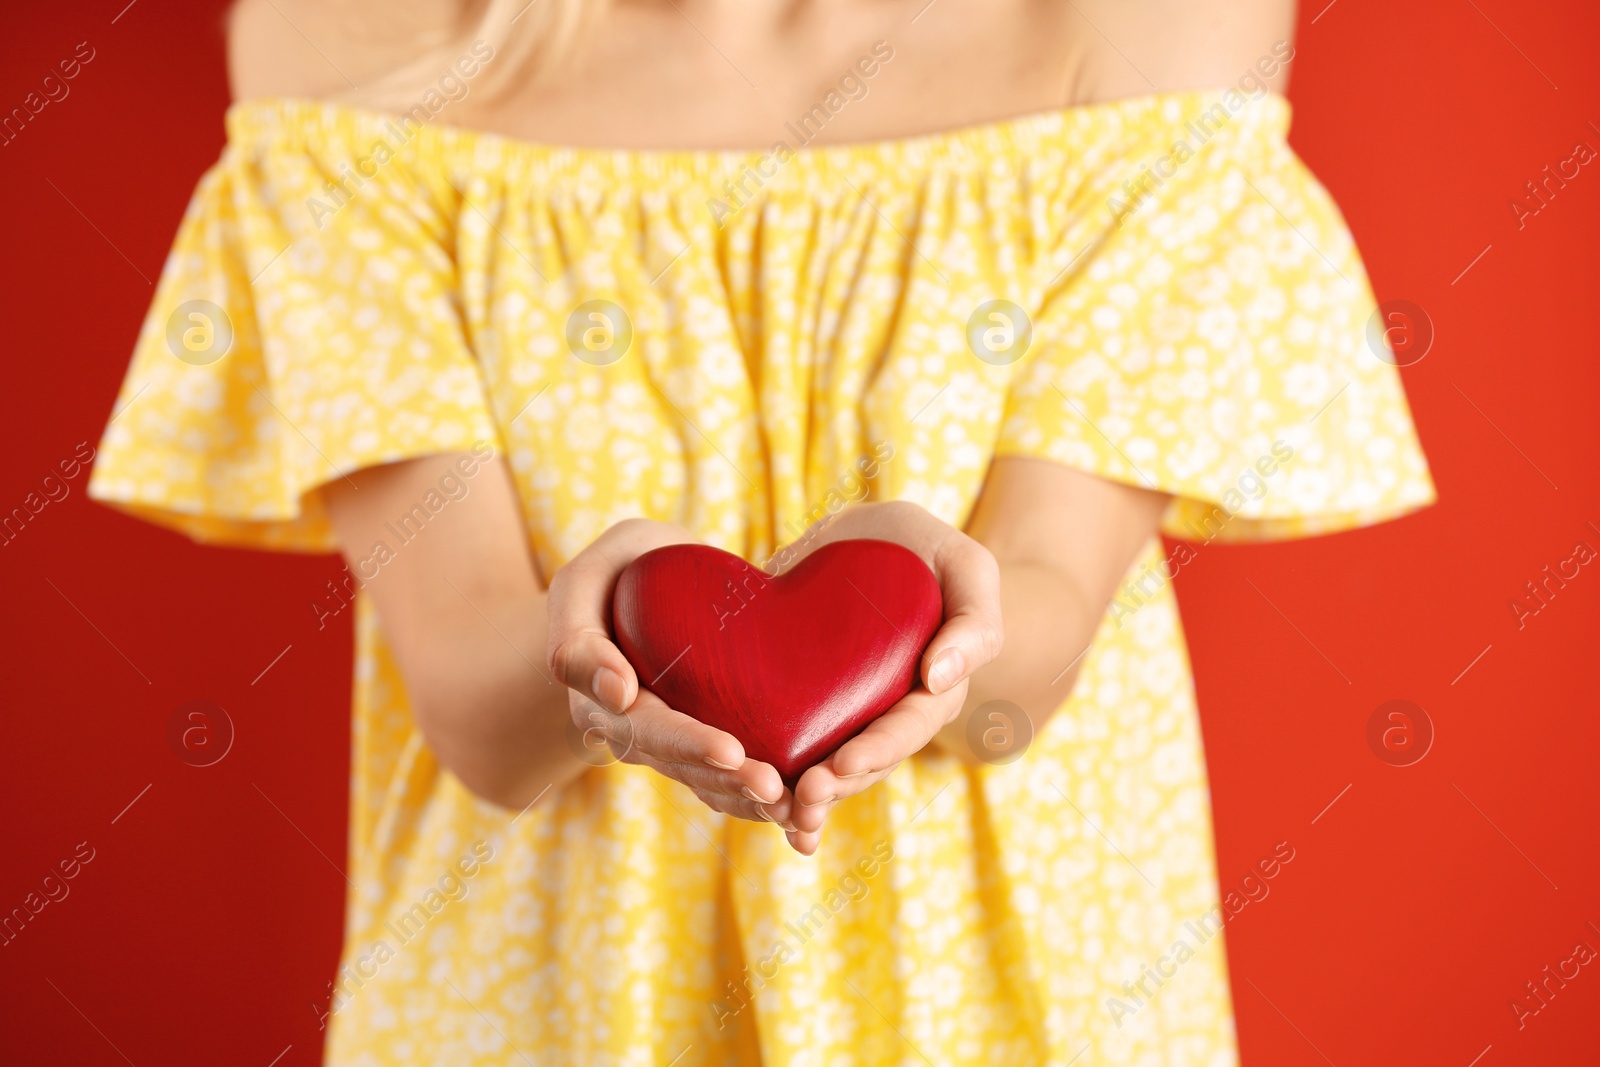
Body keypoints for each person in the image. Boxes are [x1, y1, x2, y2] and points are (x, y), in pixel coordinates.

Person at [88, 0, 1434, 1062]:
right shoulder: (357, 55)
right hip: (551, 1011)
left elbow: (1037, 648)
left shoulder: (1148, 37)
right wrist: (595, 654)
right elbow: (481, 725)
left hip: (1011, 1011)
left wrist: (933, 616)